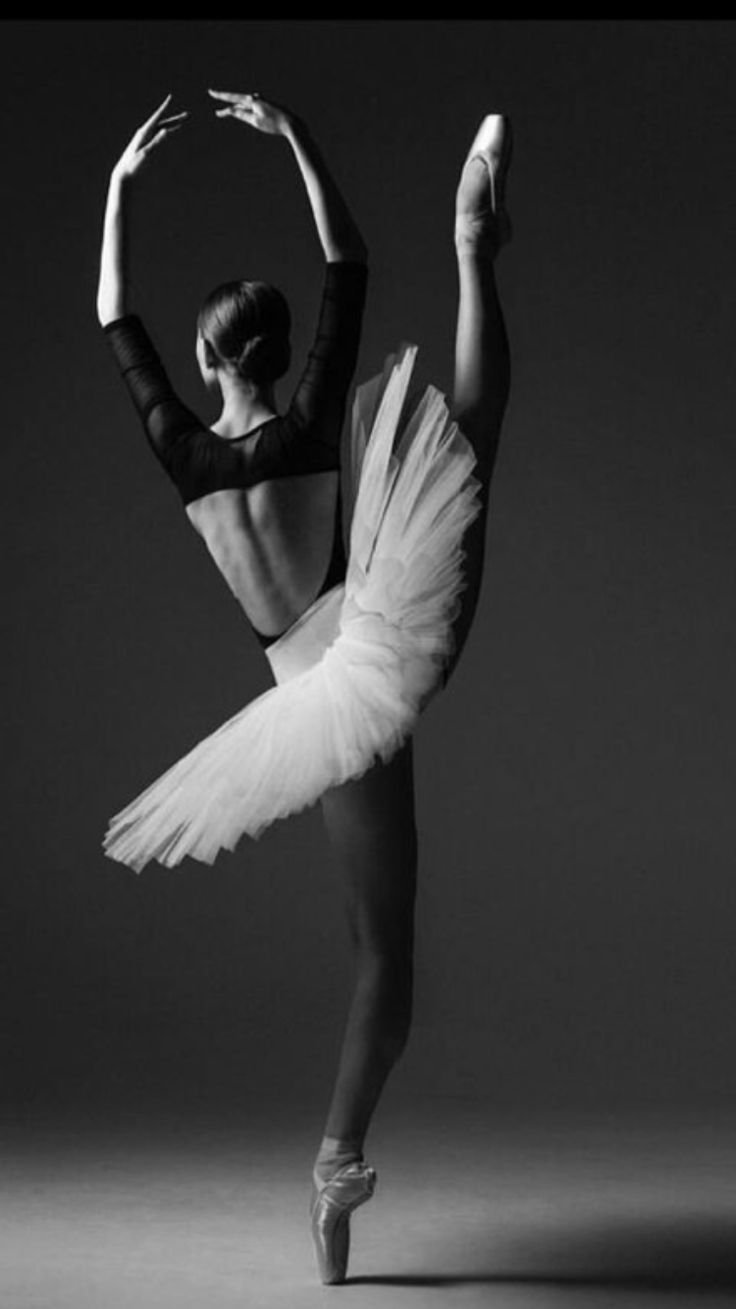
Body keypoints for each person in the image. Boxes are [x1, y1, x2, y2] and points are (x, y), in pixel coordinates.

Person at [96, 91, 511, 1285]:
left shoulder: (184, 455)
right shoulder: (313, 424)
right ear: (275, 356)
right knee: (468, 431)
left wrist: (120, 185)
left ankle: (336, 1174)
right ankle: (471, 251)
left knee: (377, 956)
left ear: (208, 359)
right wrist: (294, 139)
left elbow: (114, 318)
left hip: (317, 686)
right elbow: (347, 262)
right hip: (373, 646)